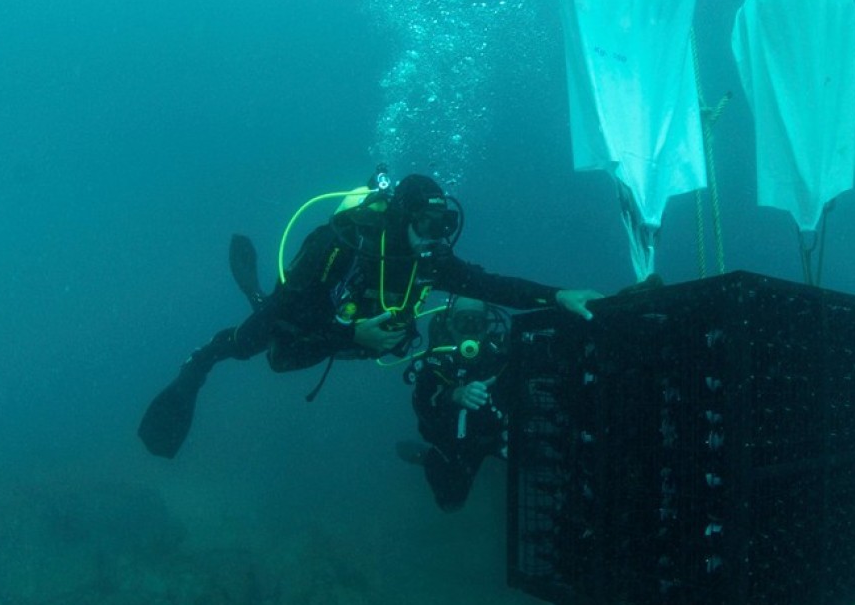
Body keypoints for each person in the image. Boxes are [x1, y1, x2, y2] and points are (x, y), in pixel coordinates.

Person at [138, 168, 602, 459]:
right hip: (302, 322)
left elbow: (491, 286)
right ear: (403, 217)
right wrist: (351, 336)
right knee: (260, 349)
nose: (436, 237)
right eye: (427, 225)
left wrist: (558, 296)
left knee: (295, 353)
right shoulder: (339, 245)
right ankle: (196, 368)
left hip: (352, 336)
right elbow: (290, 311)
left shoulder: (430, 259)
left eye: (444, 226)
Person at [398, 296, 512, 512]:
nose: (470, 329)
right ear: (450, 325)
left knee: (533, 458)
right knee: (451, 502)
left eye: (477, 322)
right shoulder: (434, 362)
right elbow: (423, 407)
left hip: (497, 434)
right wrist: (453, 396)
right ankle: (427, 457)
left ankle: (493, 466)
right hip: (455, 443)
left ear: (487, 326)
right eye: (463, 321)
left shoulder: (502, 354)